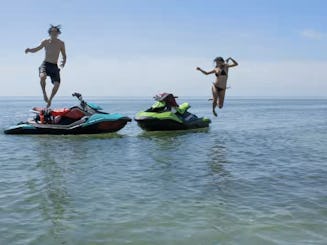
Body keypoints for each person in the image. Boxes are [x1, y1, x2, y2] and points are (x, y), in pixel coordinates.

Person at [25, 25, 67, 108]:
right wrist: (29, 50)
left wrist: (64, 62)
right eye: (52, 32)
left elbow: (64, 55)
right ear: (50, 33)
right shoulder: (45, 41)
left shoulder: (61, 43)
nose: (54, 33)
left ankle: (50, 100)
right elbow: (37, 49)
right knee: (42, 77)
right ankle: (44, 93)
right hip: (46, 64)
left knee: (57, 84)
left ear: (58, 33)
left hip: (54, 66)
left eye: (55, 32)